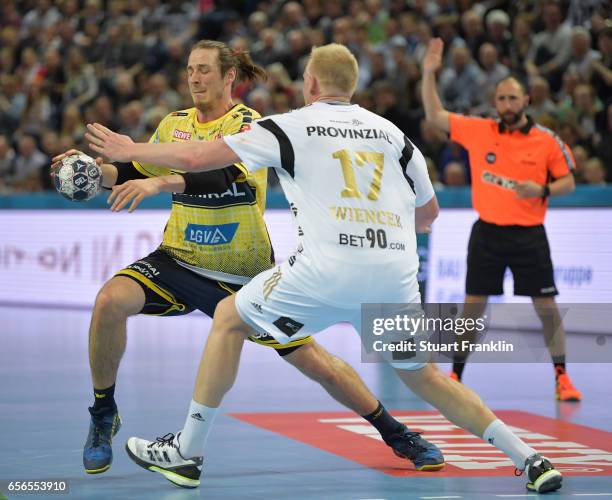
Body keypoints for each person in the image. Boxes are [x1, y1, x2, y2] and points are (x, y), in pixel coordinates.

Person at [86, 43, 563, 494]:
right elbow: (429, 216)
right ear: (352, 85)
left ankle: (187, 453)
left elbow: (197, 158)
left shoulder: (286, 125)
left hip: (324, 270)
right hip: (392, 274)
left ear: (310, 83)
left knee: (230, 319)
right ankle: (530, 459)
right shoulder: (395, 134)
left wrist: (131, 150)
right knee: (427, 378)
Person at [52, 40, 444, 477]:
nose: (194, 78)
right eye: (189, 69)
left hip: (242, 274)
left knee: (317, 364)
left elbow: (229, 183)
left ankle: (396, 433)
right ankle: (103, 413)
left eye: (204, 70)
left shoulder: (249, 124)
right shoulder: (173, 124)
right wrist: (89, 172)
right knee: (109, 301)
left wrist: (161, 185)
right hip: (178, 260)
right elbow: (128, 174)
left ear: (228, 77)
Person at [421, 38, 581, 402]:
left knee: (547, 308)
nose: (508, 104)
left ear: (527, 101)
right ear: (495, 103)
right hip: (487, 234)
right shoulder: (480, 131)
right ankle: (456, 376)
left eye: (514, 98)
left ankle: (562, 377)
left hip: (529, 236)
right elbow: (435, 116)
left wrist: (541, 189)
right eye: (502, 98)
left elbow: (569, 182)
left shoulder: (547, 141)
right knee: (471, 308)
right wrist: (429, 73)